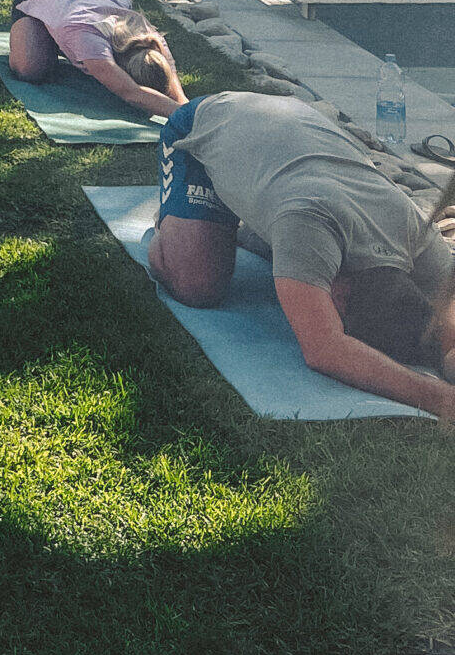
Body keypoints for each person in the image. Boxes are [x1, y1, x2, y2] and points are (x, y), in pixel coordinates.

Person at [147, 91, 455, 417]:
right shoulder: (308, 225)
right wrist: (440, 398)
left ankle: (241, 217)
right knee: (196, 285)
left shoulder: (419, 238)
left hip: (291, 132)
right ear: (342, 301)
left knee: (291, 249)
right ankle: (171, 223)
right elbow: (325, 349)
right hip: (207, 122)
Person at [9, 0, 183, 120]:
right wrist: (182, 116)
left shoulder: (152, 40)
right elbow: (130, 92)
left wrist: (194, 115)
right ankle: (45, 31)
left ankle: (59, 37)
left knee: (76, 45)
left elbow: (179, 97)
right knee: (30, 69)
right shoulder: (88, 36)